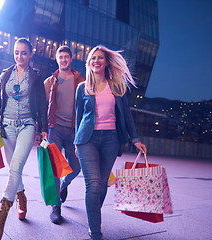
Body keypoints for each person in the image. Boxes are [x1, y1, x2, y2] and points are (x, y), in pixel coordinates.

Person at [74, 45, 147, 240]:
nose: (96, 61)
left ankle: (92, 214)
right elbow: (79, 116)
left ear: (106, 62)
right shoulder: (82, 87)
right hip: (87, 139)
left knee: (103, 184)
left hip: (111, 139)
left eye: (100, 58)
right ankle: (95, 232)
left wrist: (136, 139)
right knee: (93, 185)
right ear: (89, 62)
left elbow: (127, 115)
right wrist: (76, 142)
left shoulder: (117, 87)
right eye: (93, 58)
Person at [0, 38, 48, 240]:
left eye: (24, 53)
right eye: (17, 52)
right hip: (7, 126)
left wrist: (42, 129)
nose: (20, 56)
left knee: (16, 167)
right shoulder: (6, 74)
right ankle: (21, 196)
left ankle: (1, 216)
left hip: (27, 125)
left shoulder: (36, 77)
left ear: (31, 54)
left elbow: (42, 106)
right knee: (13, 169)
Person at [43, 45, 84, 224]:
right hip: (55, 128)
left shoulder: (81, 81)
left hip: (74, 130)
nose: (64, 59)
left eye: (67, 56)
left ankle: (64, 185)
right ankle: (55, 205)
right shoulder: (49, 81)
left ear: (71, 59)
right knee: (54, 167)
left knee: (76, 166)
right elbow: (44, 107)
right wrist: (42, 128)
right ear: (57, 59)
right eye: (61, 57)